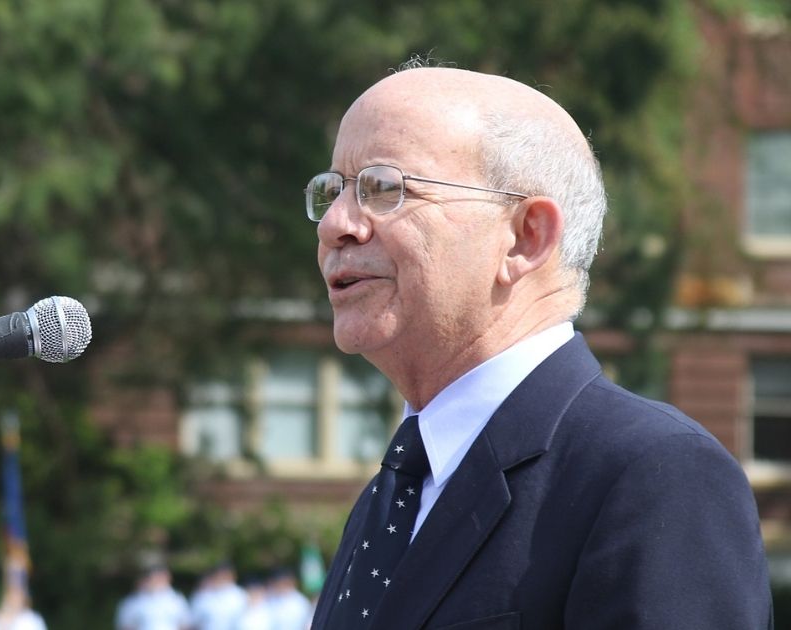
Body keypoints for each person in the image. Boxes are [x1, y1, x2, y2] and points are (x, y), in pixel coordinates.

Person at [305, 62, 772, 629]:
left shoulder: (655, 474)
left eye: (383, 188)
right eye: (332, 191)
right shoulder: (398, 493)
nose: (336, 224)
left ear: (526, 237)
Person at [114, 563, 190, 630]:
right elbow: (125, 625)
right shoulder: (134, 601)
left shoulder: (176, 599)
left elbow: (184, 624)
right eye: (157, 578)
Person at [187, 563, 245, 630]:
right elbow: (192, 621)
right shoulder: (203, 595)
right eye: (220, 575)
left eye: (225, 575)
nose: (222, 578)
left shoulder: (240, 595)